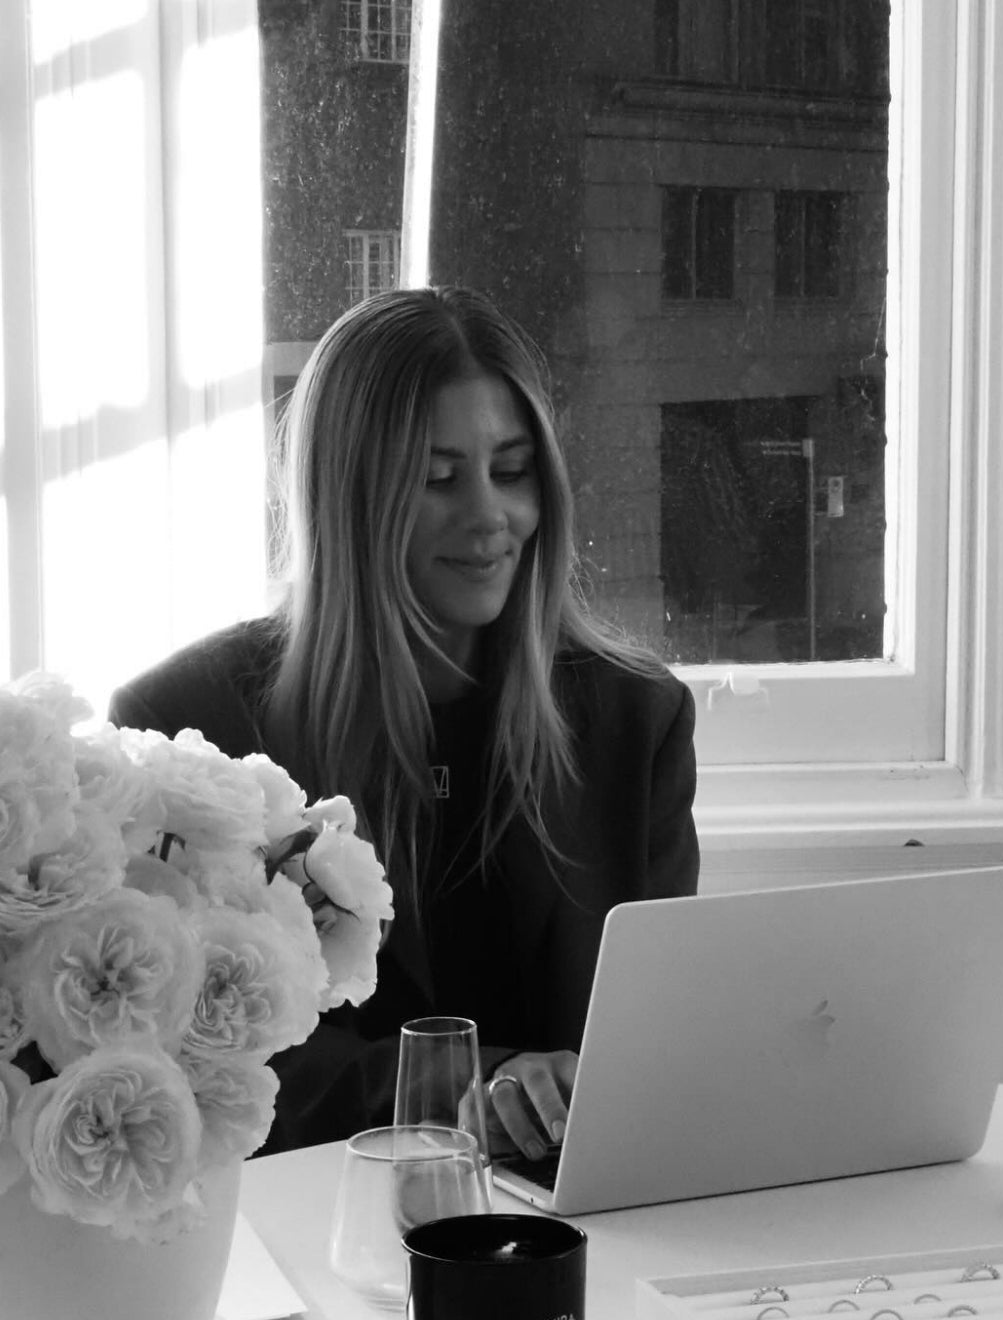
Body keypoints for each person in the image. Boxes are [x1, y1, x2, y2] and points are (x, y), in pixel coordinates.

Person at [108, 285, 699, 1159]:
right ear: (348, 497)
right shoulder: (188, 728)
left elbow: (651, 1039)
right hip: (307, 1206)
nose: (490, 517)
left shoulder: (635, 718)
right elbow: (217, 1064)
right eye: (438, 479)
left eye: (511, 471)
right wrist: (474, 1086)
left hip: (570, 1210)